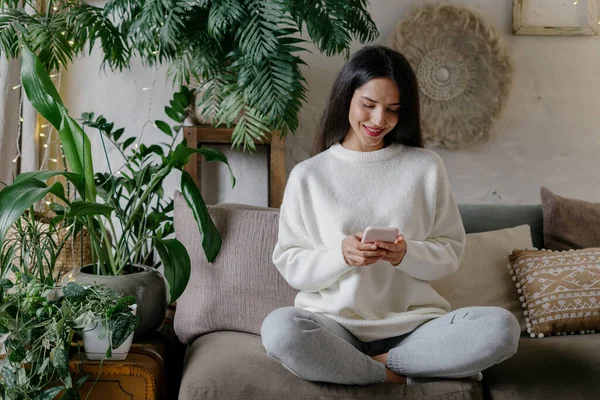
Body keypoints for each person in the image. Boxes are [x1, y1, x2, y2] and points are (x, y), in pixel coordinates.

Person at [260, 45, 520, 386]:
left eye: (393, 109)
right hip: (334, 325)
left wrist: (405, 254)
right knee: (280, 330)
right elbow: (291, 263)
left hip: (414, 327)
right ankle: (393, 373)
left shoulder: (425, 167)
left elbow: (450, 253)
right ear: (346, 98)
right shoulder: (309, 176)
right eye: (368, 105)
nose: (379, 120)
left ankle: (373, 365)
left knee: (502, 328)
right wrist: (341, 255)